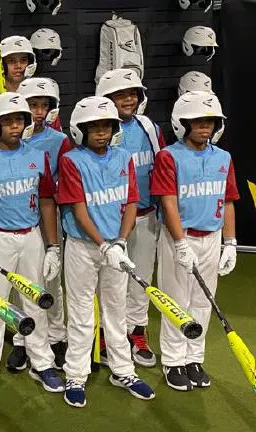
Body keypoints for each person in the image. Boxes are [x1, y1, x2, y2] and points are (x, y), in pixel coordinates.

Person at [0, 92, 63, 398]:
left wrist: (52, 245)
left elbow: (46, 201)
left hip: (31, 236)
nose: (15, 126)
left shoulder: (37, 156)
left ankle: (42, 362)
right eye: (8, 121)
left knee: (36, 302)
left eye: (20, 120)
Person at [56, 96, 155, 408]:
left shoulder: (124, 157)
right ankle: (76, 373)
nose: (100, 132)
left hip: (116, 246)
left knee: (116, 311)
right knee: (82, 312)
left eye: (106, 126)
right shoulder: (72, 160)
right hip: (83, 247)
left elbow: (130, 203)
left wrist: (121, 241)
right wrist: (103, 244)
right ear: (81, 130)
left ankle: (123, 370)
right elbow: (79, 210)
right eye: (93, 127)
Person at [151, 90, 238, 391]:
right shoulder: (169, 156)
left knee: (203, 301)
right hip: (181, 235)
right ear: (183, 123)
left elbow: (228, 201)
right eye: (198, 121)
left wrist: (231, 242)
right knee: (177, 301)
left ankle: (193, 358)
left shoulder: (223, 158)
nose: (205, 127)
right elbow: (168, 202)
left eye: (211, 122)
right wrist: (179, 242)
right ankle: (173, 361)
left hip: (212, 237)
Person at [96, 68, 167, 368]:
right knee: (110, 281)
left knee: (140, 279)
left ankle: (137, 332)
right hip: (110, 221)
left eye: (132, 94)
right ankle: (106, 335)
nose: (128, 99)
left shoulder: (148, 127)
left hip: (146, 215)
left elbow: (161, 168)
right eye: (120, 95)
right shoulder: (97, 129)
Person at [12, 76, 72, 371]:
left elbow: (64, 181)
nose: (38, 111)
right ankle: (23, 340)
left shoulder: (59, 141)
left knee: (51, 280)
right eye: (32, 105)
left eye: (43, 105)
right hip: (15, 217)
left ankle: (57, 337)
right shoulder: (7, 135)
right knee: (22, 283)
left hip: (48, 217)